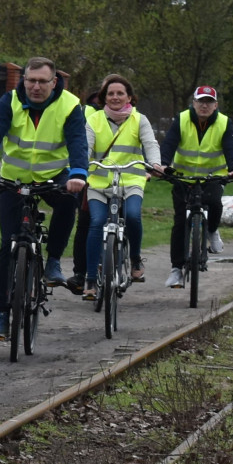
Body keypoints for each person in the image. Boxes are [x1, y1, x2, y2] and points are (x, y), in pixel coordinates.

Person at [0, 57, 89, 340]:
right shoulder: (9, 100)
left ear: (54, 82)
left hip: (54, 175)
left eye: (42, 81)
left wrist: (78, 174)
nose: (35, 87)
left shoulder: (70, 104)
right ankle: (2, 315)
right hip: (15, 177)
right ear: (23, 79)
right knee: (6, 246)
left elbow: (77, 141)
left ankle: (54, 262)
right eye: (30, 80)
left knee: (68, 202)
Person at [81, 74, 164, 301]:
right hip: (98, 183)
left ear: (129, 96)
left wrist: (155, 164)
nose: (115, 97)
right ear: (103, 97)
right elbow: (85, 148)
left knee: (134, 217)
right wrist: (79, 167)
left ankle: (135, 258)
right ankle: (90, 279)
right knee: (97, 222)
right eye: (111, 93)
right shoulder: (94, 120)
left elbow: (150, 144)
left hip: (131, 181)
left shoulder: (140, 119)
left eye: (120, 93)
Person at [159, 85, 233, 288]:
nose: (204, 105)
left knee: (214, 202)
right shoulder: (181, 119)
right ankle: (176, 270)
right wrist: (161, 164)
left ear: (215, 105)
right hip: (183, 177)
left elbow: (231, 147)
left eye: (209, 102)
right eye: (201, 101)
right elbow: (169, 143)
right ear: (194, 103)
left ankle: (212, 231)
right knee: (180, 222)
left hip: (212, 177)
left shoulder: (224, 123)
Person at [66, 90, 102, 295]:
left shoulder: (129, 114)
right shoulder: (86, 112)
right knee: (86, 222)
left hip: (122, 177)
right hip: (89, 177)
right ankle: (81, 273)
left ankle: (121, 258)